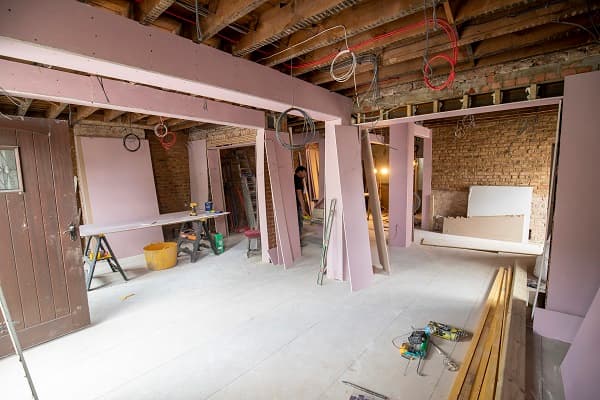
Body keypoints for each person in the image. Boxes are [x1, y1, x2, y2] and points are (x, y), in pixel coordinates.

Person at [294, 166, 309, 236]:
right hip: (297, 204)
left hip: (294, 204)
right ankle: (298, 241)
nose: (305, 175)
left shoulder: (294, 178)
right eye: (305, 173)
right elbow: (299, 194)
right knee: (299, 222)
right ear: (300, 171)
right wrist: (303, 208)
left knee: (297, 221)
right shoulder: (298, 180)